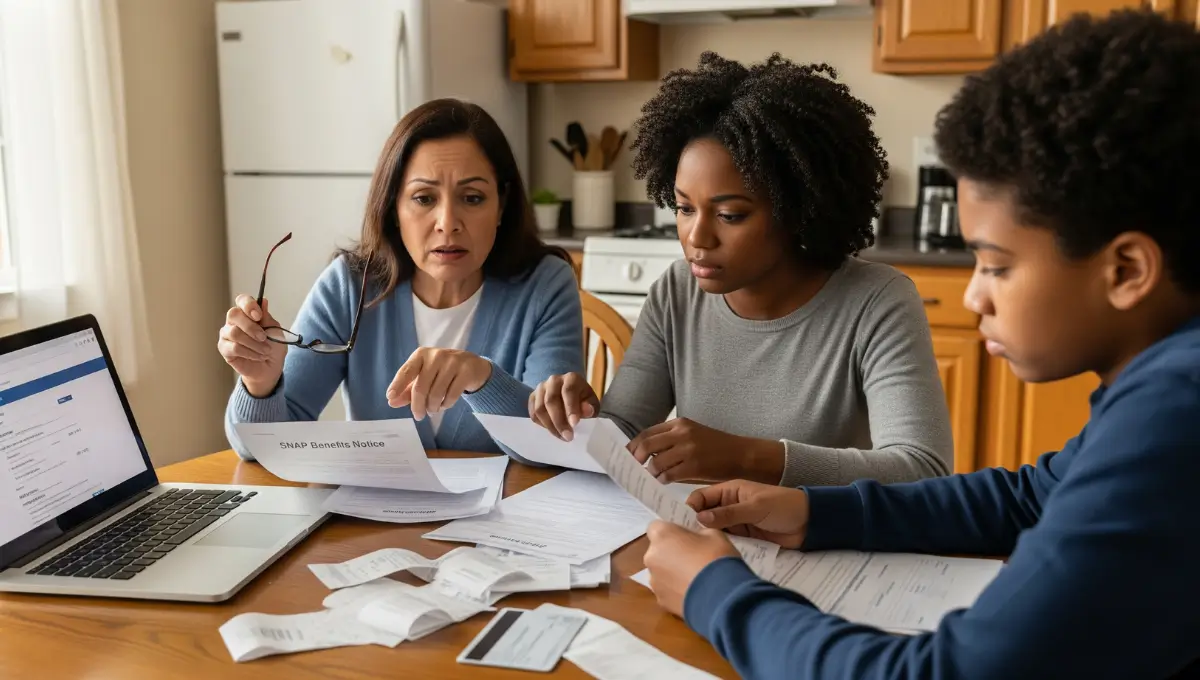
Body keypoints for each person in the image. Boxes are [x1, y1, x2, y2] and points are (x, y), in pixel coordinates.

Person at [640, 10, 1200, 679]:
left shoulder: (1177, 413)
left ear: (1127, 271)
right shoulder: (1161, 385)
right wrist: (817, 511)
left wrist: (716, 593)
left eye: (995, 265)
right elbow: (1026, 498)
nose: (973, 297)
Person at [529, 52, 953, 487]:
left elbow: (922, 468)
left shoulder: (877, 301)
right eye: (684, 208)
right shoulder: (676, 292)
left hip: (822, 544)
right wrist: (581, 418)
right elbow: (625, 434)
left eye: (730, 215)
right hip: (701, 537)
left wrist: (747, 456)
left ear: (799, 212)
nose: (696, 237)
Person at [219, 98, 584, 461]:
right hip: (371, 520)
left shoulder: (546, 285)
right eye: (424, 198)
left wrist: (482, 378)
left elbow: (555, 444)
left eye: (472, 198)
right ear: (394, 207)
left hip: (511, 517)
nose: (447, 222)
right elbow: (260, 448)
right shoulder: (350, 286)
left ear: (501, 205)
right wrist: (260, 385)